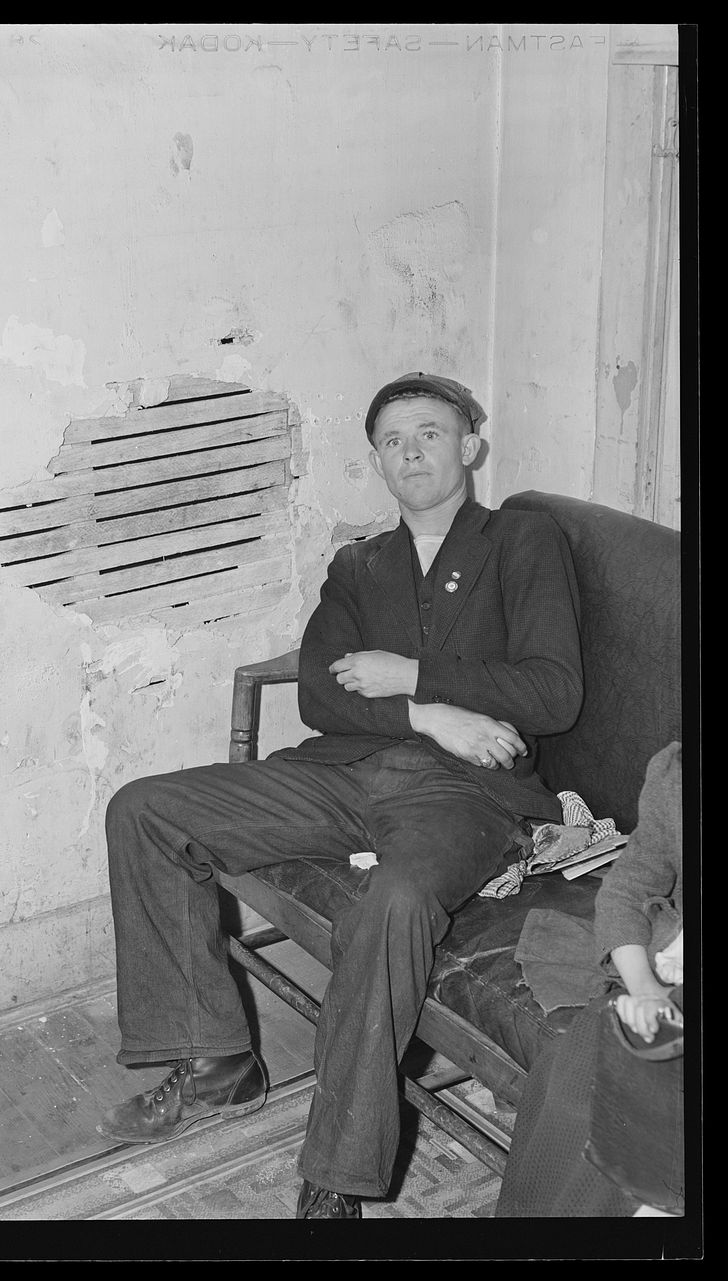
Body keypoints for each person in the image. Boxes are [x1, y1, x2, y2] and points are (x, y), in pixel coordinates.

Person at [97, 372, 584, 1218]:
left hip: (464, 792)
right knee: (144, 809)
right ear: (377, 464)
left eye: (430, 433)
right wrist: (428, 708)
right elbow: (321, 693)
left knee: (395, 900)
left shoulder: (523, 542)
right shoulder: (360, 565)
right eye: (393, 441)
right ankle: (217, 1060)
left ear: (470, 445)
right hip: (341, 771)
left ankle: (335, 1172)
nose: (412, 452)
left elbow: (552, 693)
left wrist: (406, 674)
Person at [495, 742, 683, 1217]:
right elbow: (629, 886)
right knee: (570, 1085)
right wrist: (644, 988)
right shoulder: (675, 771)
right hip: (666, 974)